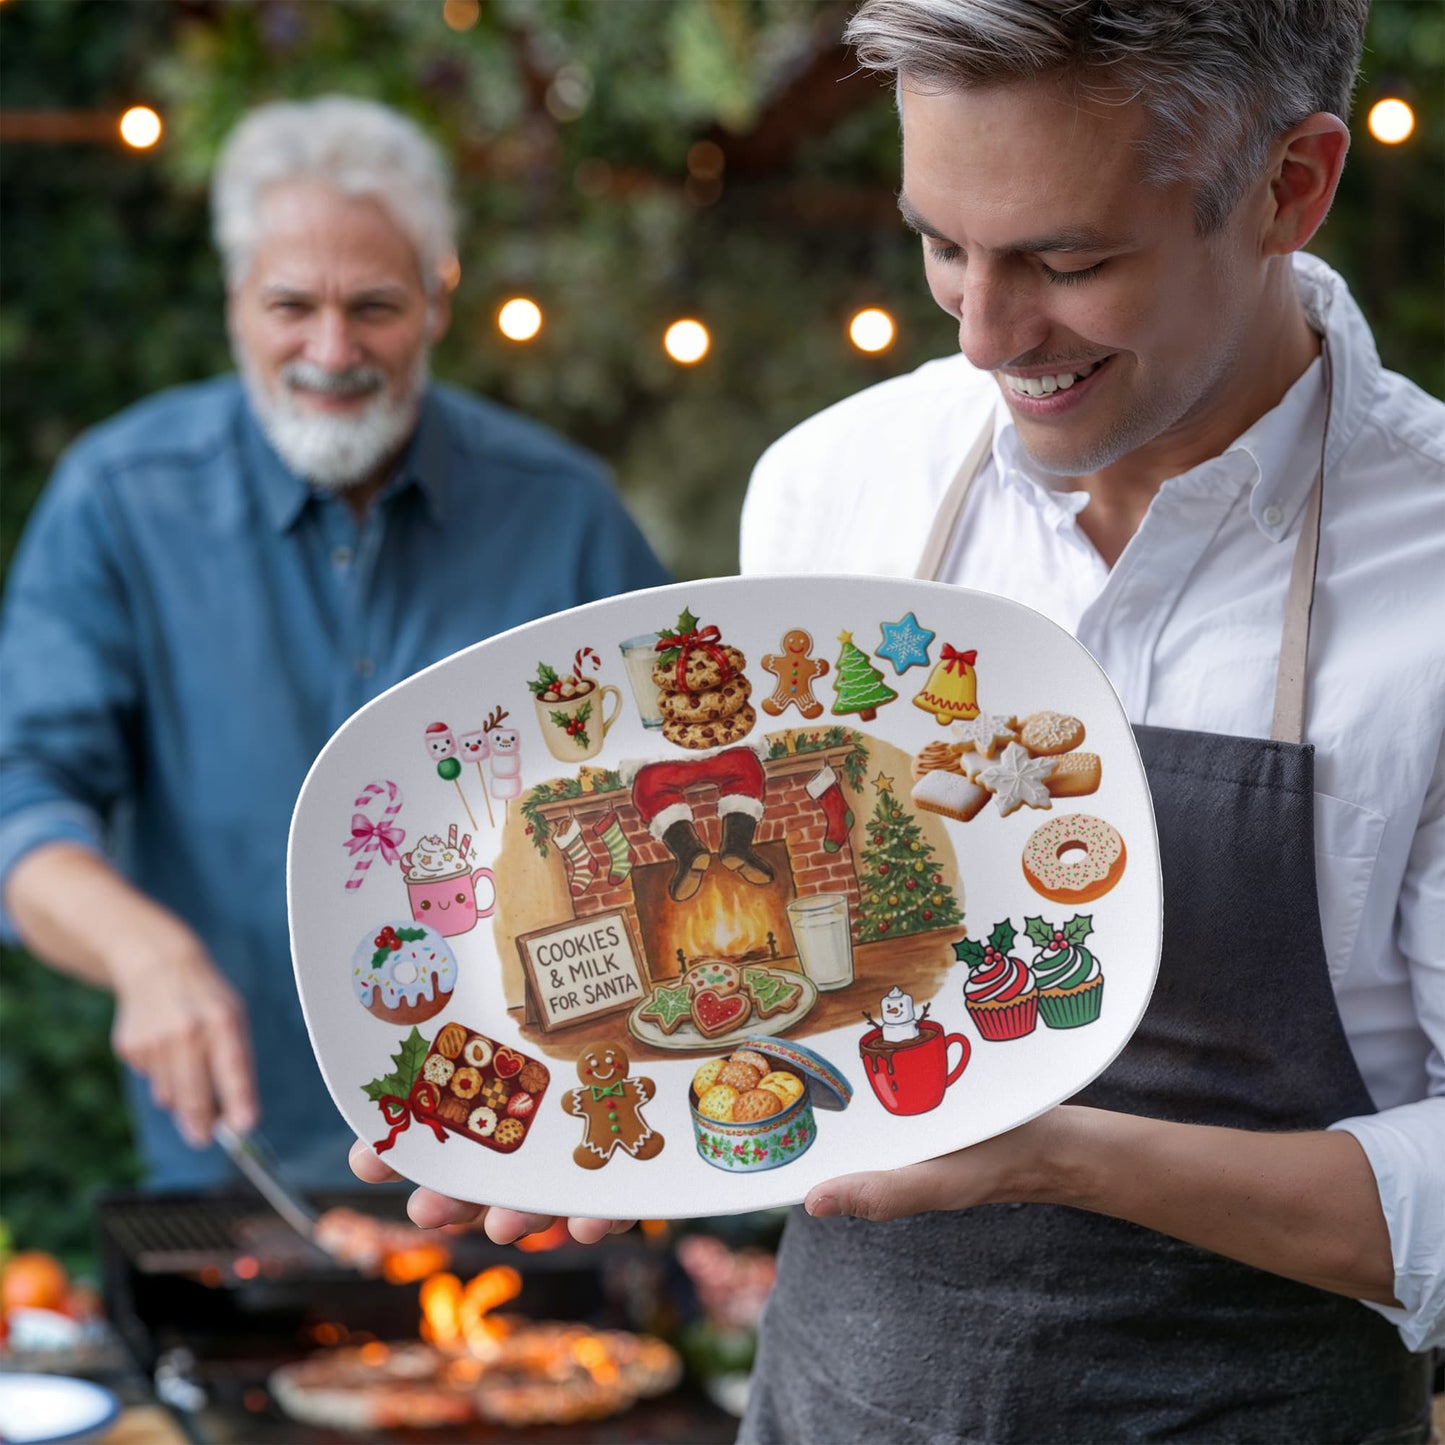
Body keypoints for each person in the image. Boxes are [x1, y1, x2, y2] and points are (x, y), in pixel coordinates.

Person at [355, 0, 1444, 1437]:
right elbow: (773, 980)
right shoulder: (836, 485)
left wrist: (1055, 1155)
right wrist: (617, 1125)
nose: (989, 336)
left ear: (1289, 188)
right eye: (940, 244)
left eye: (1068, 260)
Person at [0, 96, 669, 1191]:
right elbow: (22, 800)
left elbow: (664, 796)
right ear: (233, 303)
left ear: (439, 300)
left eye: (373, 306)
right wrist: (142, 950)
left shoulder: (566, 513)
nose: (331, 348)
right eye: (289, 305)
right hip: (234, 1164)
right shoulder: (119, 499)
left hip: (529, 1149)